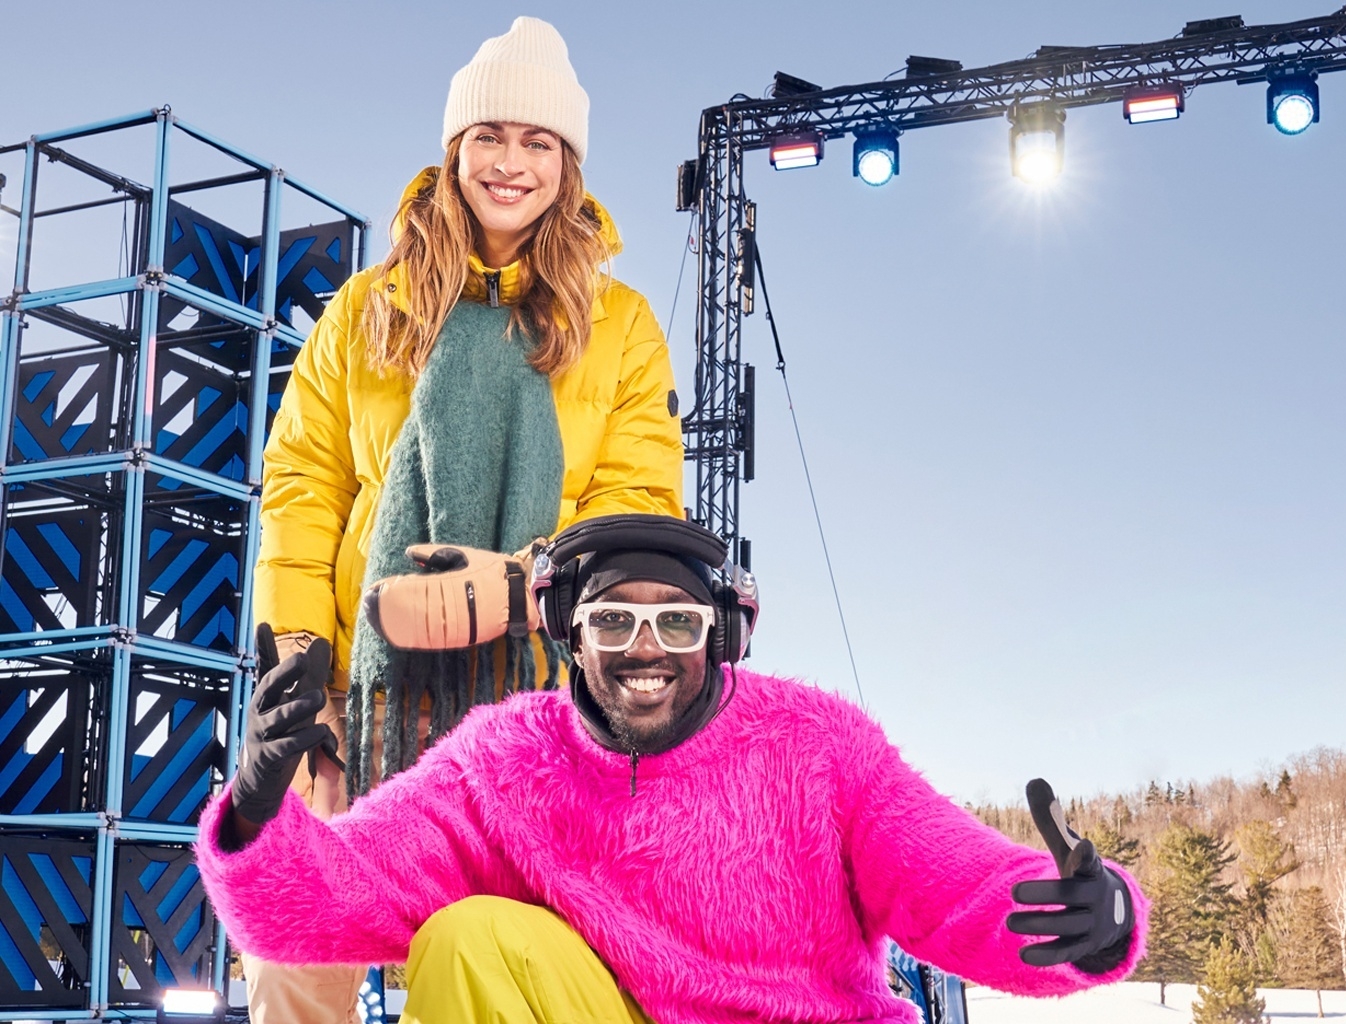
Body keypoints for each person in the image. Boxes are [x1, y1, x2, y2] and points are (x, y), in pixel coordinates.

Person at [197, 514, 1146, 1023]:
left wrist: (1095, 917)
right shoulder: (503, 761)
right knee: (470, 938)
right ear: (571, 636)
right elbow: (341, 893)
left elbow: (953, 880)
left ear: (718, 636)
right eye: (613, 620)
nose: (644, 648)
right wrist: (254, 817)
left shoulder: (816, 744)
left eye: (676, 623)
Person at [247, 16, 684, 1021]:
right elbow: (305, 488)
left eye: (538, 142)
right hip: (365, 695)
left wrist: (525, 584)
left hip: (535, 709)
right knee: (290, 944)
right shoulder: (365, 312)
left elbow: (640, 510)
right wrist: (299, 665)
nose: (510, 164)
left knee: (487, 954)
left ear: (567, 166)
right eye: (489, 136)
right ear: (454, 150)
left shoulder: (619, 328)